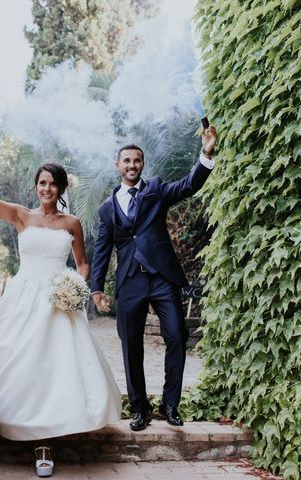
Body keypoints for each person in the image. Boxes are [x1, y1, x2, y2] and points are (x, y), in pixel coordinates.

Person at [0, 152, 122, 477]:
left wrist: (75, 286)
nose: (47, 189)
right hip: (22, 300)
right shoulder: (20, 216)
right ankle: (26, 428)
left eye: (53, 184)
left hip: (58, 303)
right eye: (42, 183)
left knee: (55, 368)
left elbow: (83, 264)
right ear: (36, 187)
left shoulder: (71, 224)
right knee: (20, 363)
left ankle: (46, 441)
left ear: (61, 190)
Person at [91, 126, 218, 431]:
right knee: (130, 345)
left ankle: (170, 404)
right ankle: (139, 409)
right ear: (117, 166)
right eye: (126, 161)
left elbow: (190, 185)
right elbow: (102, 249)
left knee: (177, 336)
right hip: (130, 282)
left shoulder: (156, 190)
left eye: (137, 160)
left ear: (142, 165)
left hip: (162, 278)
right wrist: (96, 287)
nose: (132, 165)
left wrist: (207, 152)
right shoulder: (107, 208)